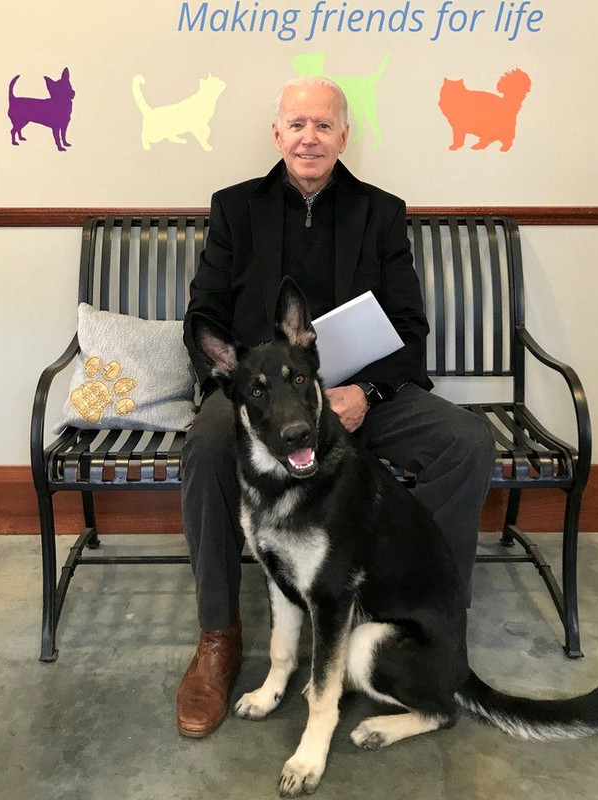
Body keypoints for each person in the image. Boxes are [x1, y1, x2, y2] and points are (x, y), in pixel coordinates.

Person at [177, 76, 494, 738]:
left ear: (345, 135)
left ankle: (424, 626)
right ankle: (217, 637)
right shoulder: (235, 209)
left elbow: (409, 327)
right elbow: (204, 313)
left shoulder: (381, 212)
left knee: (464, 442)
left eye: (323, 125)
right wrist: (236, 384)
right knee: (207, 444)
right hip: (265, 396)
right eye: (297, 125)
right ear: (277, 134)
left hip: (361, 392)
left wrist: (367, 393)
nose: (309, 137)